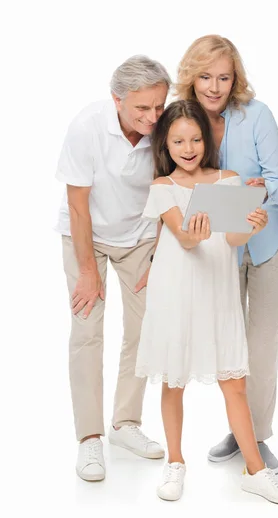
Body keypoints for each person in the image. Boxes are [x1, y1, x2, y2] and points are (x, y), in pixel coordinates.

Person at [135, 99, 278, 505]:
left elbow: (234, 240)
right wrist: (195, 230)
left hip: (218, 293)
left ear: (205, 141)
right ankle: (175, 462)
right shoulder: (162, 187)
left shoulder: (229, 180)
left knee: (235, 384)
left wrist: (251, 225)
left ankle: (256, 471)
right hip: (176, 292)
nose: (188, 148)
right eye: (177, 141)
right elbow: (186, 239)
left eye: (194, 139)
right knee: (174, 383)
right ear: (165, 145)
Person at [176, 35, 278, 475]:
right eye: (205, 76)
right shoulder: (183, 121)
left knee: (260, 346)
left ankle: (258, 437)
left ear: (235, 79)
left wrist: (261, 189)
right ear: (191, 78)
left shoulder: (257, 115)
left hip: (270, 247)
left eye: (224, 77)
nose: (214, 86)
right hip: (220, 251)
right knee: (230, 346)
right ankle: (240, 429)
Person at [55, 55, 170, 481]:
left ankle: (125, 424)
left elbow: (171, 191)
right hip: (87, 235)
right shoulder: (87, 127)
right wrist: (87, 271)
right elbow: (77, 206)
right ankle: (89, 440)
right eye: (142, 108)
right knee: (87, 331)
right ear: (116, 100)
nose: (152, 117)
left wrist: (158, 255)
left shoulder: (162, 126)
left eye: (159, 106)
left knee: (144, 330)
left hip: (140, 236)